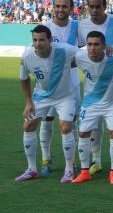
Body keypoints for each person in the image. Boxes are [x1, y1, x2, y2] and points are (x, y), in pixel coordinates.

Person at [16, 25, 78, 183]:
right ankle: (31, 169)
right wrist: (28, 102)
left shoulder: (65, 50)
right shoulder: (27, 56)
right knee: (28, 126)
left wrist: (108, 49)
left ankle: (69, 169)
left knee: (65, 127)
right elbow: (24, 79)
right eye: (35, 40)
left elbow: (87, 54)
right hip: (41, 96)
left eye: (41, 40)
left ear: (50, 40)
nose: (38, 43)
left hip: (65, 96)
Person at [78, 0, 113, 176]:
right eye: (91, 6)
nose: (94, 10)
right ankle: (96, 161)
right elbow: (80, 49)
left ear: (105, 6)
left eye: (98, 6)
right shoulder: (81, 25)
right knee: (94, 126)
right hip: (94, 83)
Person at [72, 31, 113, 185]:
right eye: (89, 44)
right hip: (90, 104)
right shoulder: (79, 57)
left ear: (104, 46)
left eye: (96, 44)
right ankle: (84, 172)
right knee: (83, 133)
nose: (92, 48)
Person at [39, 0, 82, 175]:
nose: (60, 10)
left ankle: (73, 162)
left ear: (71, 9)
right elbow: (38, 53)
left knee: (71, 123)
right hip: (47, 84)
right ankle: (46, 158)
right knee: (46, 121)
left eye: (64, 6)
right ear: (52, 7)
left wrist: (65, 66)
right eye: (57, 6)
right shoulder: (45, 28)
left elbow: (82, 55)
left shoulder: (77, 28)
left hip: (70, 83)